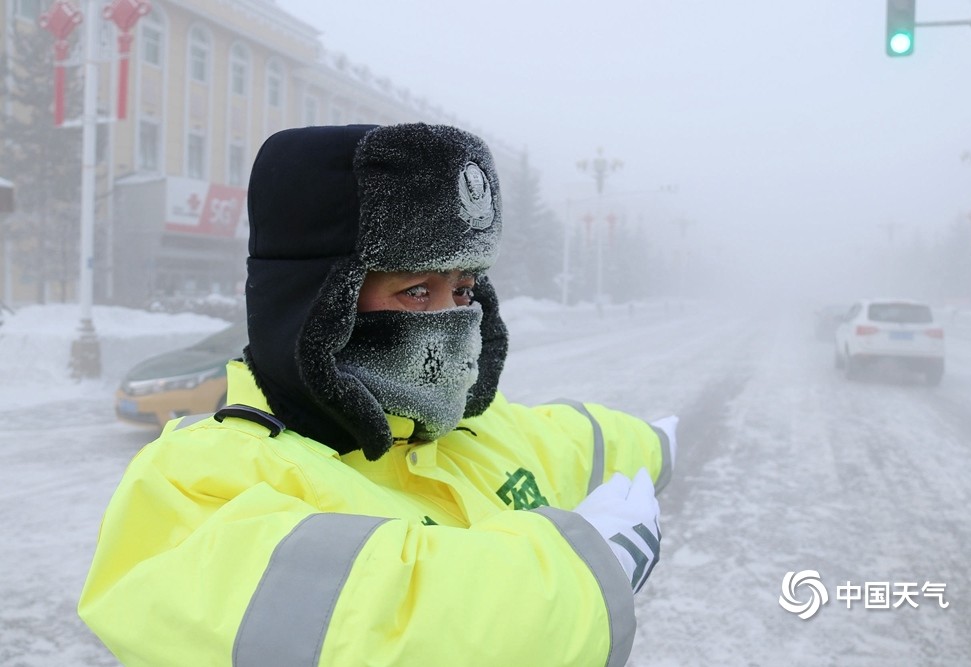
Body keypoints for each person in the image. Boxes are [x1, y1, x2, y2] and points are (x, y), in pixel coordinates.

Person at [79, 123, 678, 667]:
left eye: (464, 290)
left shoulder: (464, 430)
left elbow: (571, 440)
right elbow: (378, 628)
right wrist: (581, 577)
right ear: (318, 301)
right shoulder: (199, 481)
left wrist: (657, 445)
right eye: (416, 291)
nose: (451, 318)